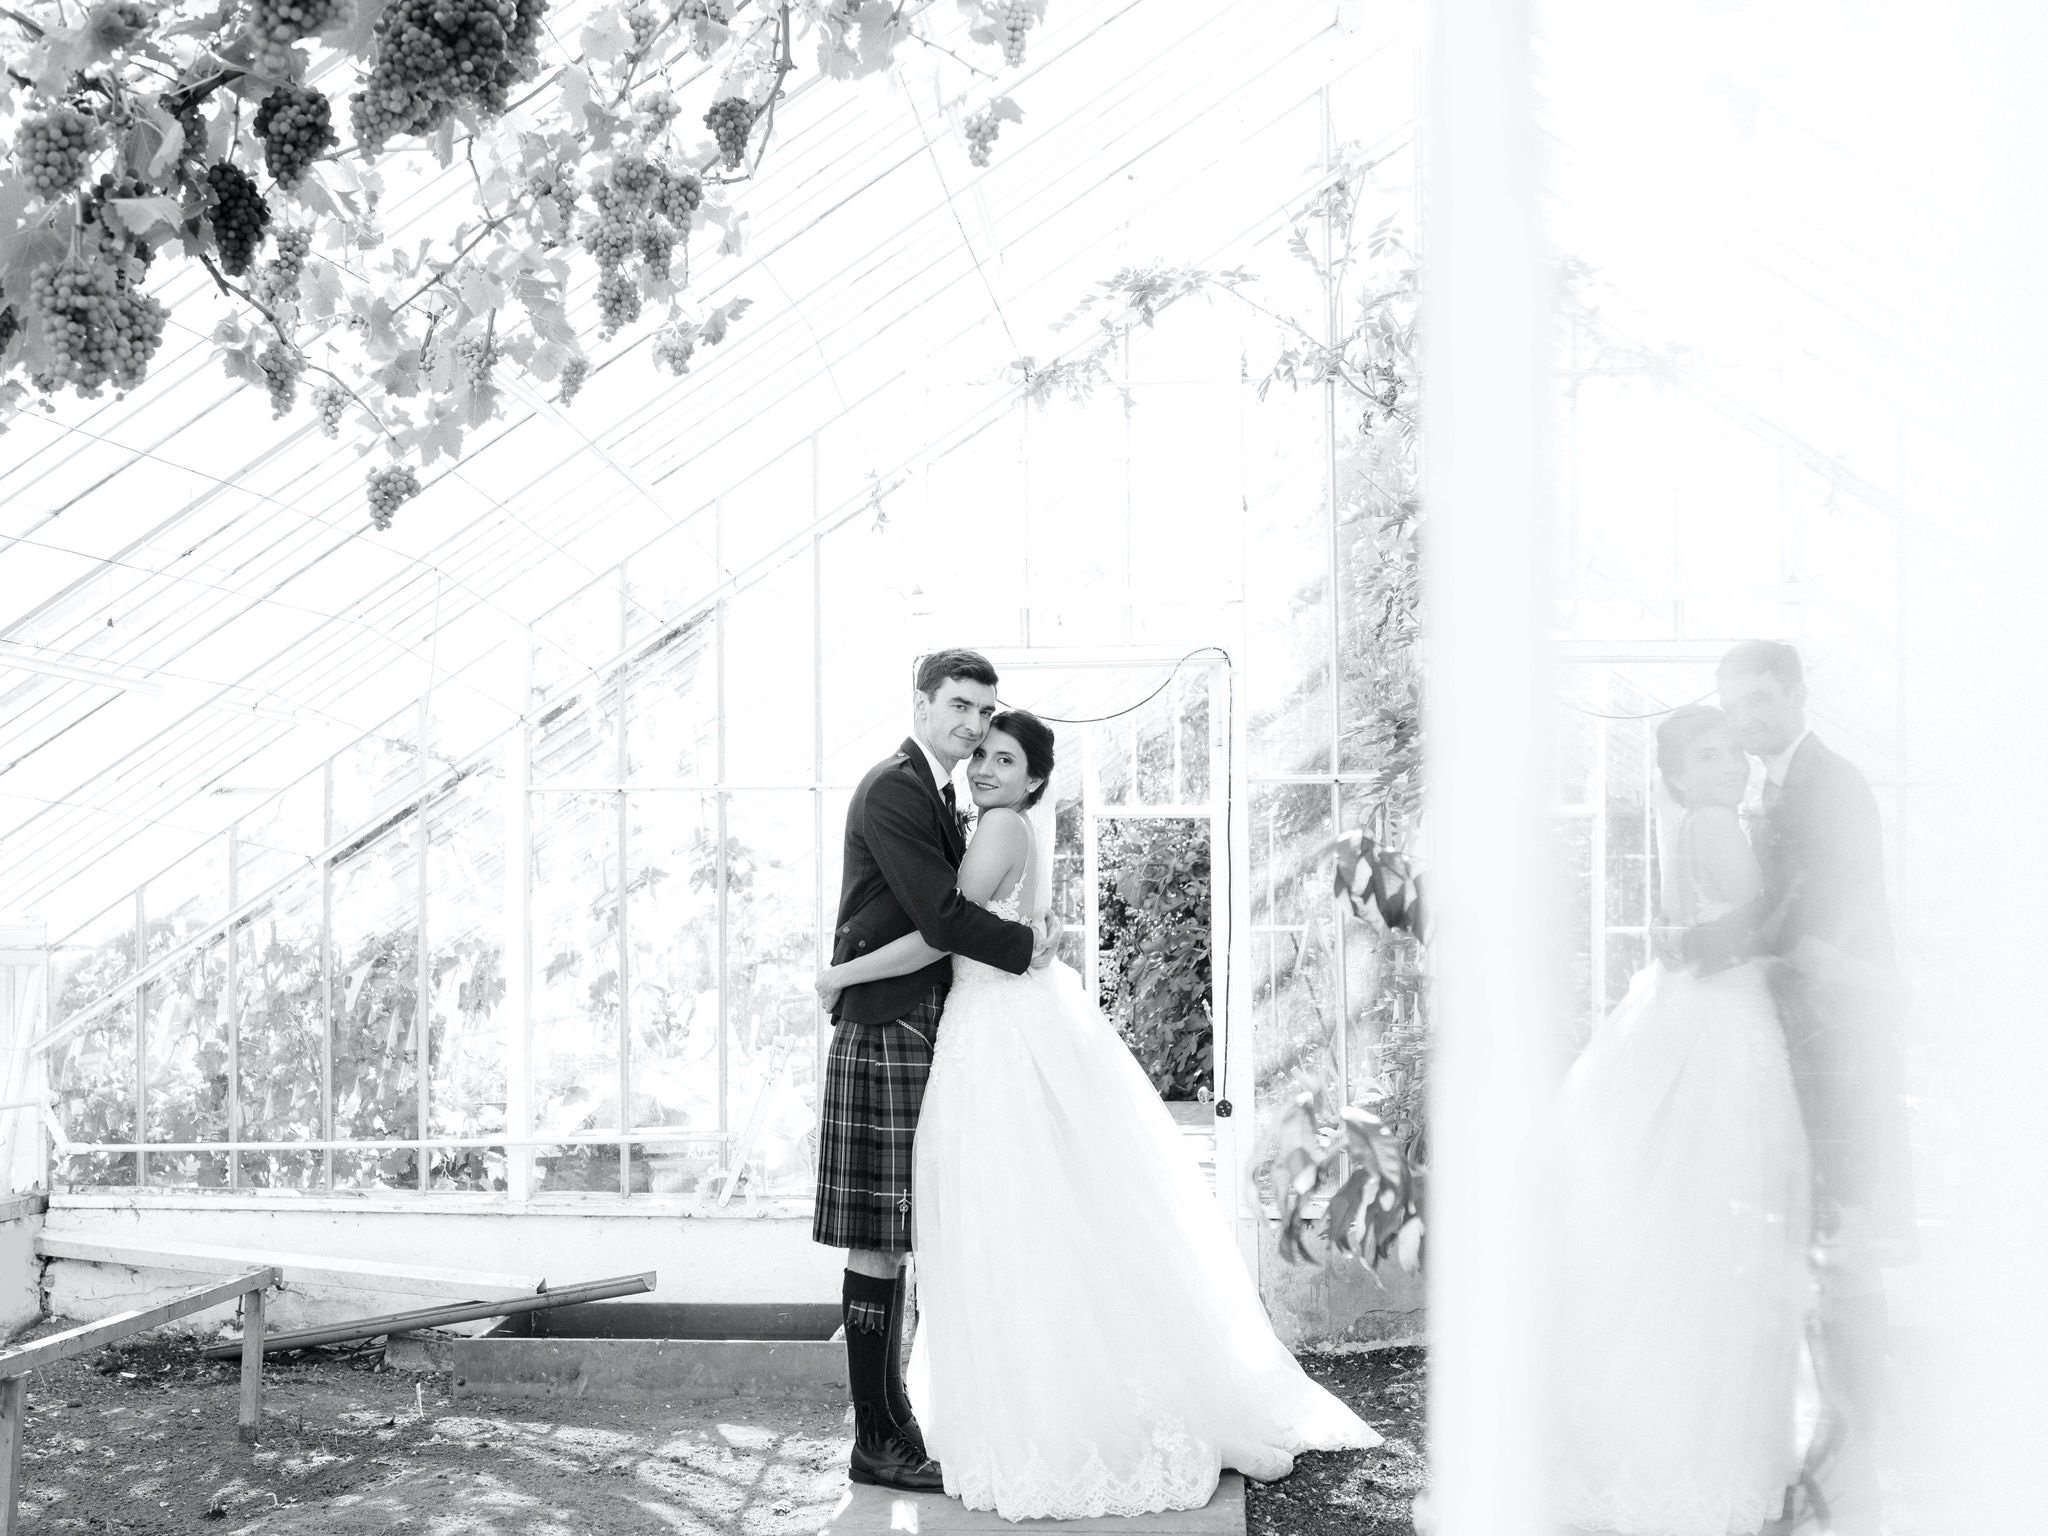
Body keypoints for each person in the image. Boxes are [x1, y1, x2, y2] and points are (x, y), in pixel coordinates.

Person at [817, 708, 1377, 1520]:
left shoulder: (999, 828)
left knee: (1007, 1221)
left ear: (1035, 779)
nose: (983, 767)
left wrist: (842, 974)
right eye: (980, 754)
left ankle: (1035, 1410)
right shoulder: (988, 823)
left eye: (1003, 759)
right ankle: (953, 1408)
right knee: (1013, 1217)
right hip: (988, 1022)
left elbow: (944, 931)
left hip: (990, 1031)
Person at [1552, 704, 1813, 1536]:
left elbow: (1705, 931)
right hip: (1729, 1032)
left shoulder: (1703, 823)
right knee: (1730, 1221)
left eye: (1735, 749)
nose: (1730, 766)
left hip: (1708, 1013)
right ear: (1677, 775)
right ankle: (1707, 1451)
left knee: (1697, 1220)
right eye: (1710, 756)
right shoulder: (1717, 826)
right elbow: (1757, 927)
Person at [812, 649, 1059, 1494]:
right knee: (878, 1239)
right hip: (885, 1026)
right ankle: (877, 1438)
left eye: (985, 714)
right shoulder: (895, 787)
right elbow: (943, 916)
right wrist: (1028, 946)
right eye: (958, 705)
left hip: (920, 1022)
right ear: (921, 702)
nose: (971, 724)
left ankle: (895, 1426)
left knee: (904, 1236)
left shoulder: (947, 798)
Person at [1703, 640, 1913, 1536]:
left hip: (1837, 1039)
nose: (1745, 722)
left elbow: (1822, 911)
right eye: (1733, 707)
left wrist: (1720, 950)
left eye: (1757, 702)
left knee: (1841, 1240)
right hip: (1800, 1032)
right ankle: (1826, 1445)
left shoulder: (1833, 785)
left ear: (1793, 694)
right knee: (1811, 1240)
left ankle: (1860, 1449)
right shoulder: (1773, 786)